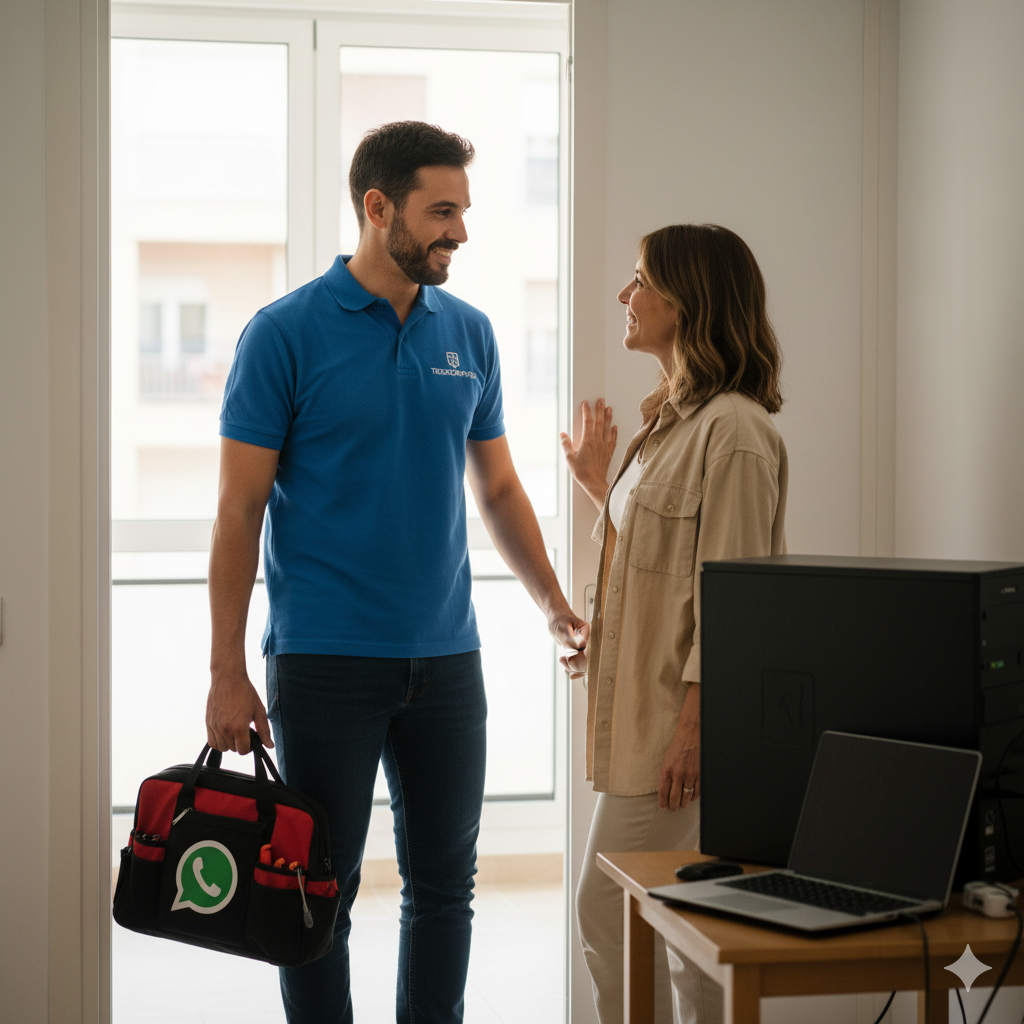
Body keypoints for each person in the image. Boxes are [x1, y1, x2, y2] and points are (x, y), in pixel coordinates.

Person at [205, 120, 588, 1024]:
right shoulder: (284, 335)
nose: (460, 231)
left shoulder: (471, 334)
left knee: (446, 888)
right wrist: (226, 669)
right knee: (316, 890)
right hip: (326, 661)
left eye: (463, 210)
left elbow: (495, 485)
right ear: (378, 209)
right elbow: (237, 512)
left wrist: (555, 606)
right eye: (441, 211)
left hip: (449, 662)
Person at [560, 224, 788, 1024]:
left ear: (688, 300)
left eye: (640, 281)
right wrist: (600, 489)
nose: (625, 297)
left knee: (612, 911)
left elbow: (734, 593)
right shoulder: (672, 424)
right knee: (684, 934)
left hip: (679, 735)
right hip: (650, 723)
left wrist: (695, 725)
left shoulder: (735, 432)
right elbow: (667, 559)